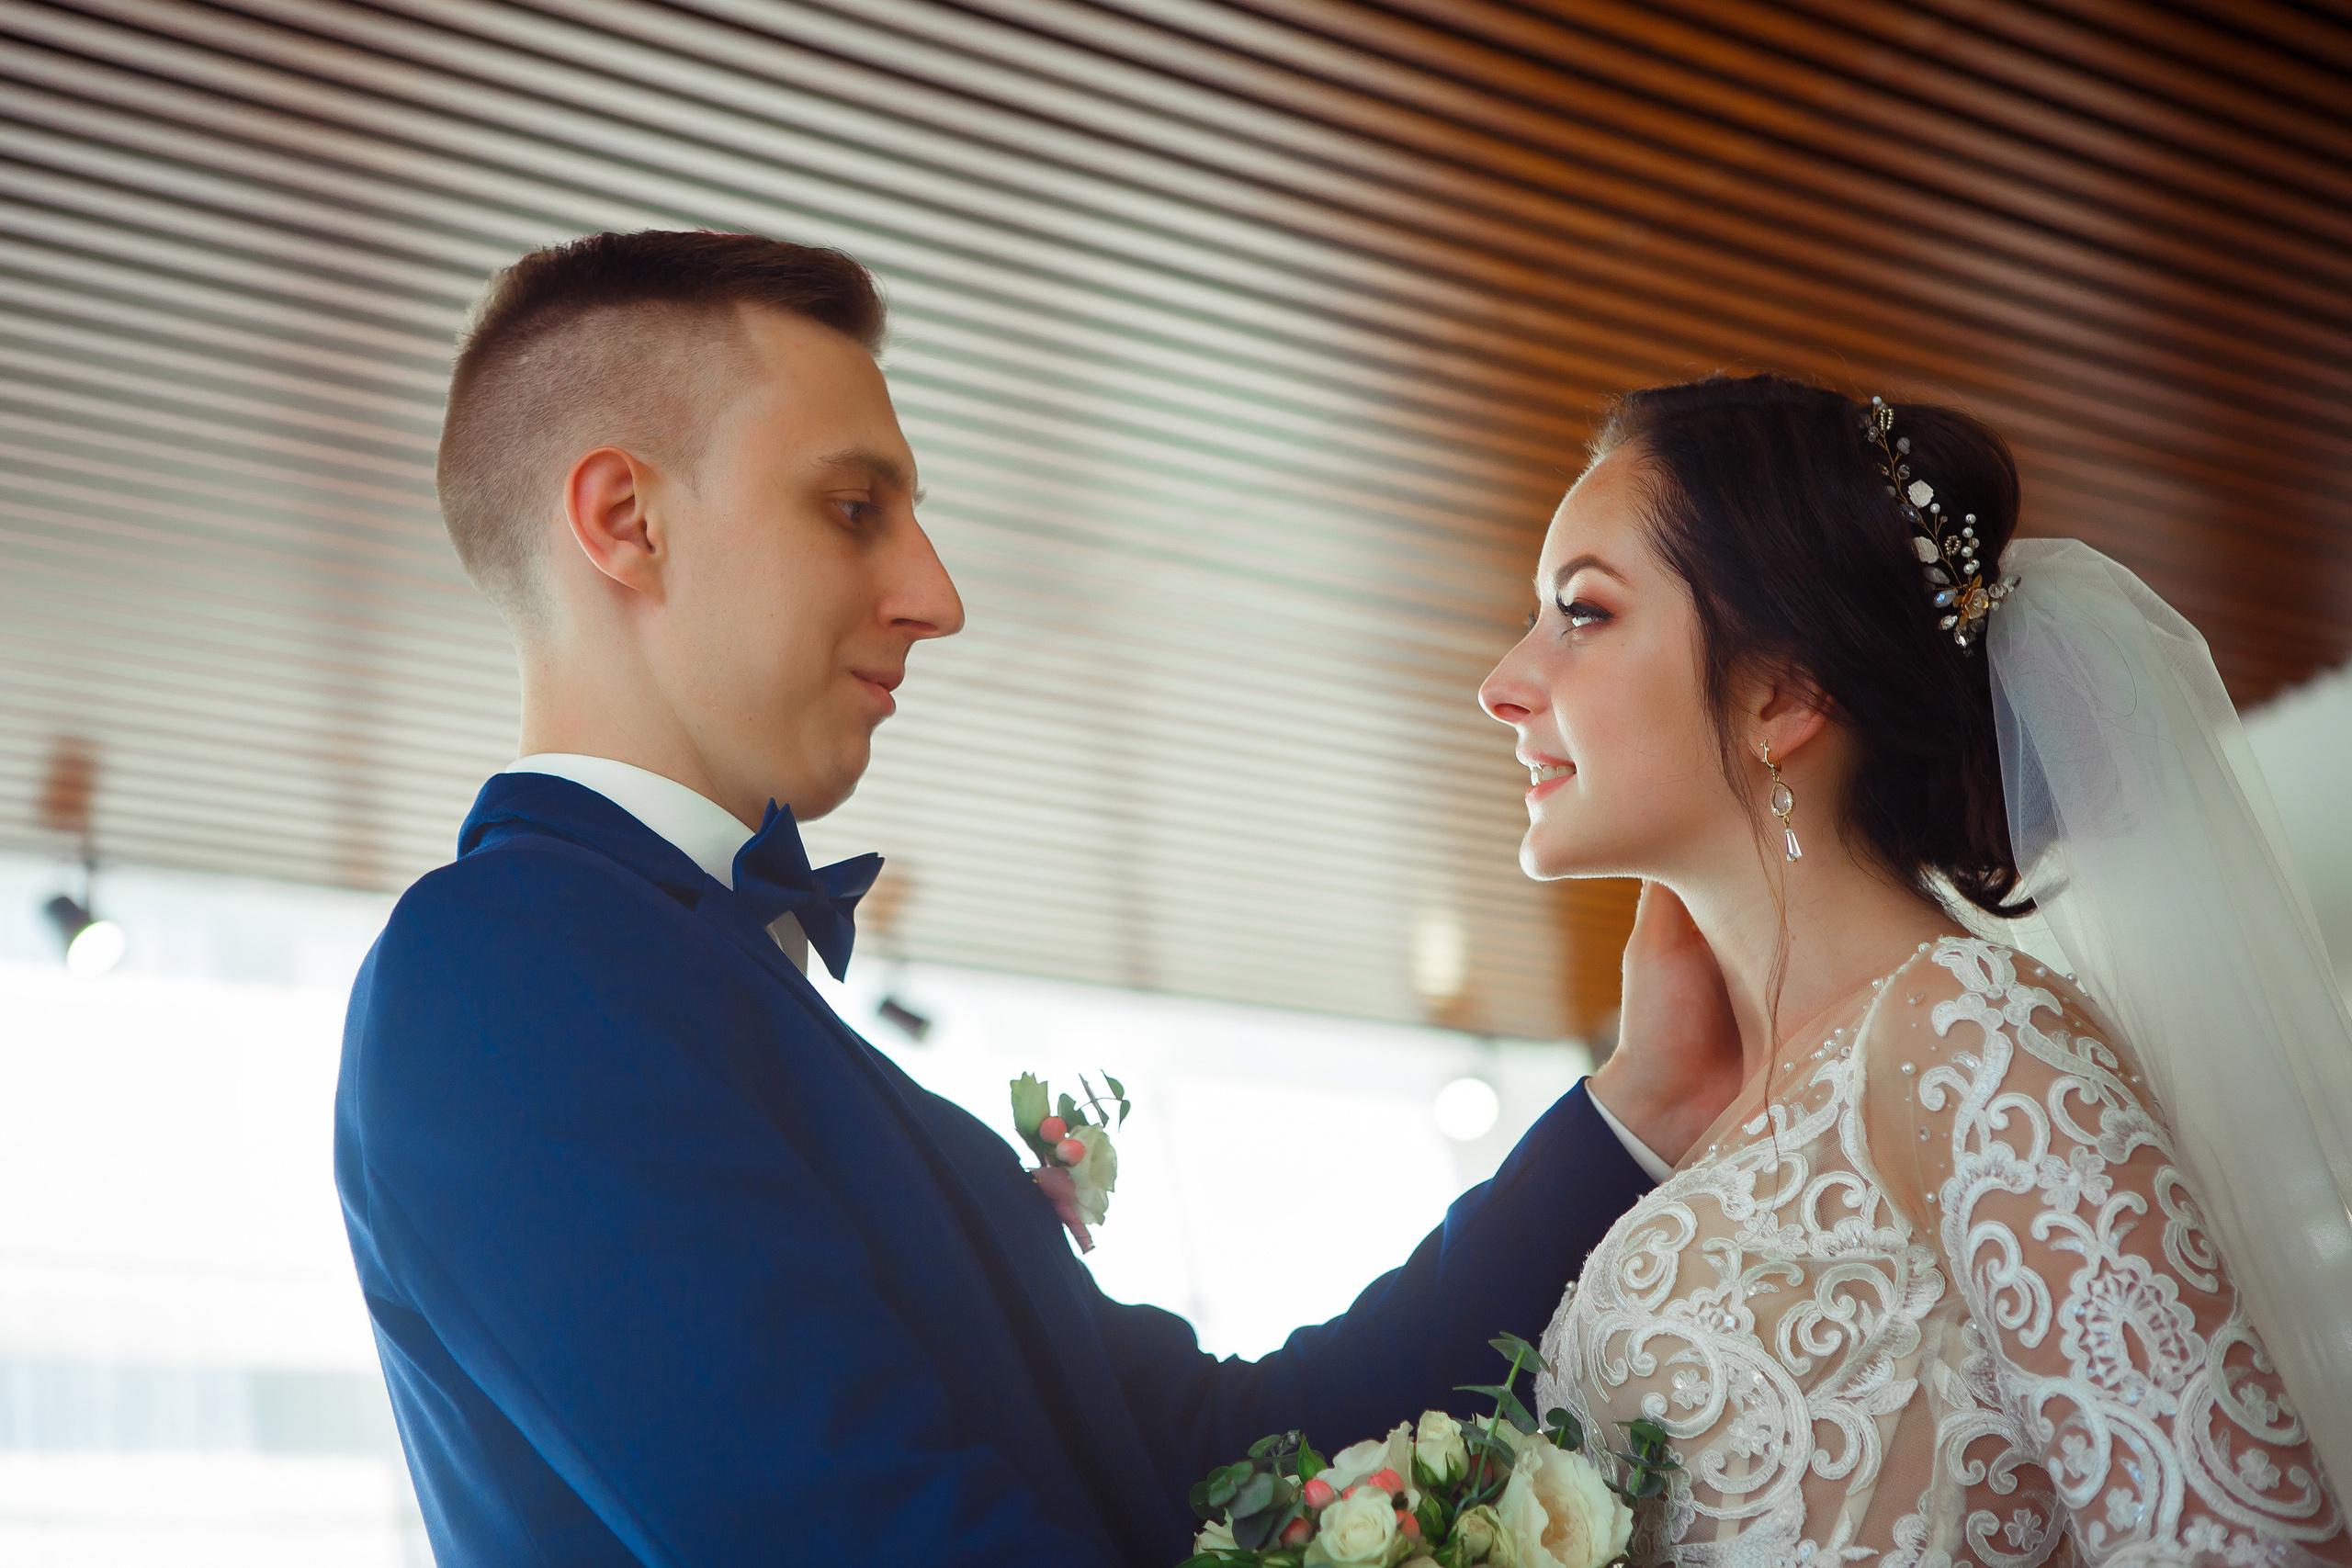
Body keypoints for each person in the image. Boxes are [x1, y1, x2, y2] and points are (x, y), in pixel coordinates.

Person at [333, 229, 1744, 1567]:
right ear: (624, 519)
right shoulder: (501, 975)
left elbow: (1216, 1462)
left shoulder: (678, 983)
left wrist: (1644, 1102)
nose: (935, 595)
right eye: (851, 509)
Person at [1480, 373, 2352, 1565]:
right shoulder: (1726, 1128)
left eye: (1581, 613)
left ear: (1783, 691)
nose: (1501, 685)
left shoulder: (1971, 1032)